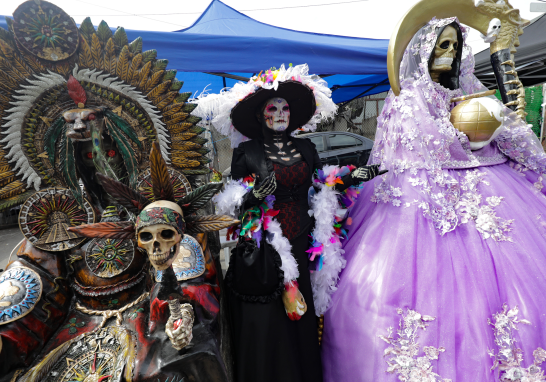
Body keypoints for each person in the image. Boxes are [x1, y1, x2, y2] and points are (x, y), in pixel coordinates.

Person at [322, 12, 546, 382]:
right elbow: (416, 145)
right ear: (425, 50)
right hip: (420, 196)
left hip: (490, 188)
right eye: (443, 45)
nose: (450, 53)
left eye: (455, 46)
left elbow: (507, 130)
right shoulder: (407, 99)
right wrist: (462, 135)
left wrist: (493, 126)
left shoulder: (470, 89)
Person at [195, 64, 382, 382]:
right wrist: (253, 196)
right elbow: (235, 203)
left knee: (301, 316)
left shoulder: (307, 148)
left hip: (302, 242)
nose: (280, 113)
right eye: (273, 107)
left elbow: (321, 185)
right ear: (260, 115)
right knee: (271, 322)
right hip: (267, 249)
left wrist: (351, 176)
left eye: (285, 107)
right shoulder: (246, 153)